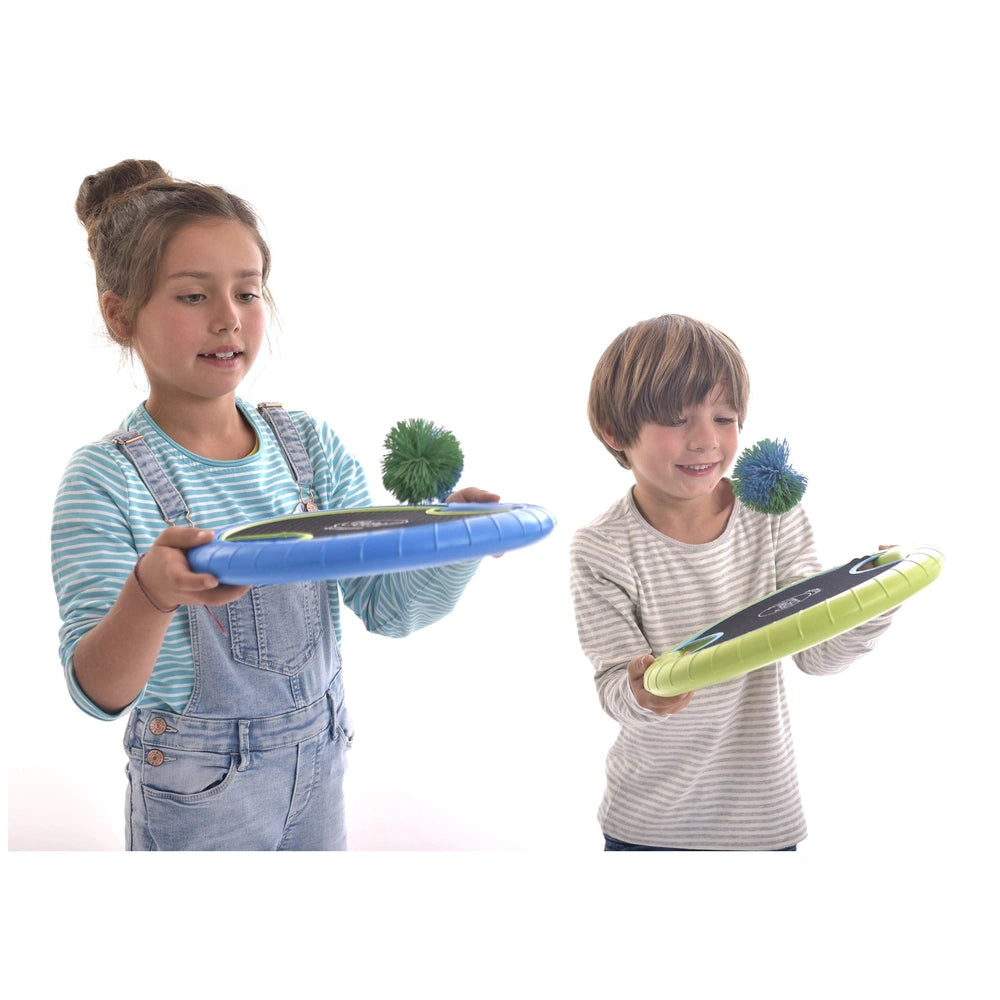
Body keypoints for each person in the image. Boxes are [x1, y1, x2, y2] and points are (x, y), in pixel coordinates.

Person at [51, 159, 499, 851]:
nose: (229, 319)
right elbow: (97, 692)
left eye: (248, 292)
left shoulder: (309, 449)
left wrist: (458, 543)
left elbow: (391, 606)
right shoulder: (106, 479)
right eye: (193, 296)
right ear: (120, 314)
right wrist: (151, 593)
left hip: (321, 764)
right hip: (199, 791)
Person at [570, 314, 893, 851]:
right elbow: (612, 686)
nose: (706, 441)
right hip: (648, 822)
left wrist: (873, 603)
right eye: (677, 419)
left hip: (764, 815)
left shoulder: (772, 515)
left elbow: (814, 653)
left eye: (725, 417)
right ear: (614, 430)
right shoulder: (602, 548)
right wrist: (644, 690)